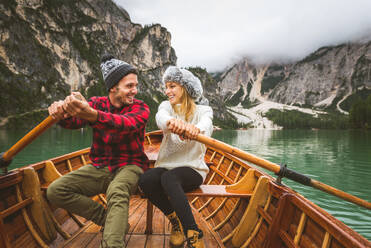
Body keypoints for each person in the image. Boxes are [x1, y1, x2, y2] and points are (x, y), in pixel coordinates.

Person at [46, 54, 150, 248]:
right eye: (129, 86)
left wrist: (92, 115)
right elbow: (73, 122)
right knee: (55, 191)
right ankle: (108, 220)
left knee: (117, 190)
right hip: (101, 166)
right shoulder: (96, 103)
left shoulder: (141, 108)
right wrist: (60, 112)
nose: (134, 90)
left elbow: (124, 125)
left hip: (131, 165)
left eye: (136, 85)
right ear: (113, 88)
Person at [138, 66, 213, 248]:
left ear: (185, 88)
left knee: (169, 178)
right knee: (146, 179)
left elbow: (207, 124)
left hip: (193, 168)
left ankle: (193, 232)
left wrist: (196, 129)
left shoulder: (204, 110)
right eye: (166, 87)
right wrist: (172, 122)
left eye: (172, 86)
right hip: (167, 166)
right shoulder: (167, 107)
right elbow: (161, 117)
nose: (167, 91)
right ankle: (175, 222)